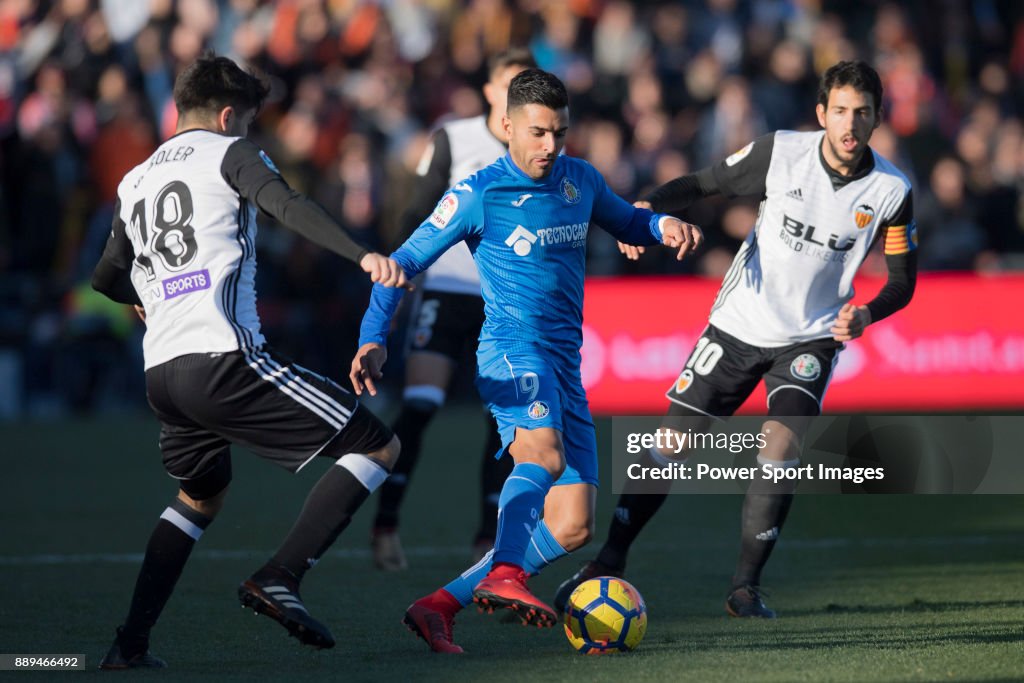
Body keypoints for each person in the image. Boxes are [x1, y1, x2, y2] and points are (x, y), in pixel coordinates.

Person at [350, 68, 702, 653]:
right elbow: (400, 262)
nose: (549, 146)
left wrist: (664, 223)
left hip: (566, 363)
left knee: (573, 525)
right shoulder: (477, 193)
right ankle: (505, 572)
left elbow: (629, 219)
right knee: (541, 451)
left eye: (559, 133)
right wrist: (372, 336)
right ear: (508, 125)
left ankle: (437, 606)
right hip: (510, 348)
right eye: (538, 133)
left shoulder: (580, 180)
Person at [555, 60, 918, 619]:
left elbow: (901, 281)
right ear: (822, 114)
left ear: (876, 120)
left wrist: (867, 314)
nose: (850, 124)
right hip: (738, 324)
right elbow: (704, 184)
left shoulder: (892, 191)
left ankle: (745, 587)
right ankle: (610, 559)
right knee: (671, 447)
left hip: (811, 339)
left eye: (862, 113)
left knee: (781, 453)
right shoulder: (781, 153)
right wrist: (648, 208)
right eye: (840, 111)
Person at [90, 53, 409, 669]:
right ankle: (280, 576)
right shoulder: (228, 152)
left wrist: (143, 299)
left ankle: (129, 645)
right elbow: (285, 204)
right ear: (229, 115)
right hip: (224, 358)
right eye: (248, 124)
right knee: (376, 447)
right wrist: (361, 255)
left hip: (162, 374)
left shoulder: (134, 180)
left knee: (199, 495)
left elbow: (106, 276)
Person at [371, 48, 538, 571]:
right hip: (445, 290)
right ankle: (385, 524)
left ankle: (487, 540)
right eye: (508, 85)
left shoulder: (539, 146)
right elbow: (418, 210)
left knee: (501, 424)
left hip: (505, 301)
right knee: (421, 405)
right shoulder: (454, 137)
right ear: (490, 91)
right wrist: (398, 284)